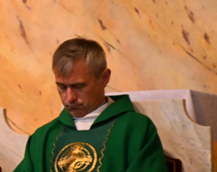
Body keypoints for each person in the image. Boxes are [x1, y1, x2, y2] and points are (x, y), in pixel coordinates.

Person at [14, 38, 167, 172]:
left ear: (104, 78)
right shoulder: (42, 137)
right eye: (62, 87)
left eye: (79, 86)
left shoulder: (135, 129)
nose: (70, 98)